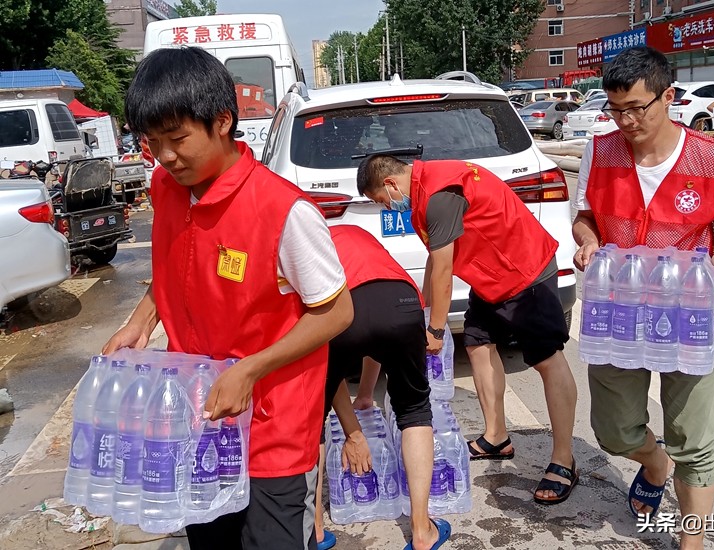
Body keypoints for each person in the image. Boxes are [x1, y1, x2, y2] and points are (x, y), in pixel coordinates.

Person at [102, 47, 354, 550]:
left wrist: (250, 369)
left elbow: (336, 311)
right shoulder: (166, 186)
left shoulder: (284, 212)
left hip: (270, 430)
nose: (166, 157)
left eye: (177, 139)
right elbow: (175, 267)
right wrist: (140, 322)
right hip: (201, 420)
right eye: (153, 143)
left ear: (222, 122)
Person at [572, 47, 714, 550]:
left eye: (636, 108)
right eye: (615, 109)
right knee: (613, 432)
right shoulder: (598, 152)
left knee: (697, 442)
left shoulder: (713, 158)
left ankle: (692, 542)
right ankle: (652, 459)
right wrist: (587, 241)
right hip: (617, 315)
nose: (625, 121)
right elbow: (585, 215)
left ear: (668, 97)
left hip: (686, 317)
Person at [356, 155, 579, 505]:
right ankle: (497, 436)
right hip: (488, 277)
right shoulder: (421, 191)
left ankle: (564, 459)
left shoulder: (438, 193)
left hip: (525, 271)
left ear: (390, 184)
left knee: (546, 359)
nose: (387, 207)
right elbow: (434, 259)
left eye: (381, 201)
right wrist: (424, 311)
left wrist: (437, 330)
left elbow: (444, 268)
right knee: (477, 344)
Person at [313, 224, 450, 550]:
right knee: (415, 410)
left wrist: (353, 431)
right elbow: (379, 332)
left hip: (343, 306)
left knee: (312, 416)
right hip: (400, 301)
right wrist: (362, 400)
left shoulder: (315, 245)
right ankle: (422, 531)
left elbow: (329, 375)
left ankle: (314, 531)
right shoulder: (364, 239)